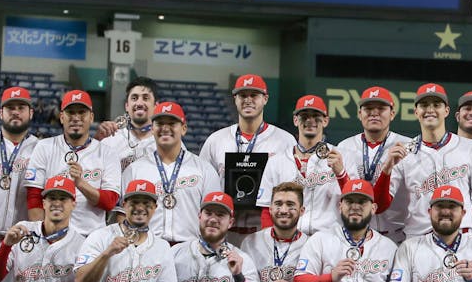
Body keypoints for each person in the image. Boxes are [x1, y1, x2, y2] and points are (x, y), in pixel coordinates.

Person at [378, 83, 472, 242]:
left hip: (462, 238)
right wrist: (386, 169)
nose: (430, 109)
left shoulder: (470, 147)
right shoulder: (403, 152)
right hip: (420, 239)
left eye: (436, 104)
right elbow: (380, 205)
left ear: (446, 111)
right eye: (424, 105)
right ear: (416, 112)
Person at [200, 75, 297, 236]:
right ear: (235, 99)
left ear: (265, 98)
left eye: (254, 95)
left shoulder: (285, 140)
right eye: (243, 95)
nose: (248, 100)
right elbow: (203, 186)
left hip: (266, 229)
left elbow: (293, 189)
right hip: (224, 230)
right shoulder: (216, 140)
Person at [24, 89, 120, 237]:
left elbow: (110, 202)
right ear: (62, 117)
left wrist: (80, 183)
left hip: (91, 238)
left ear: (91, 117)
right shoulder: (44, 147)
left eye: (82, 112)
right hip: (54, 237)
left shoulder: (108, 152)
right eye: (71, 113)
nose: (76, 118)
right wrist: (44, 238)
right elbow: (34, 199)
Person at [127, 101, 222, 244]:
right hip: (147, 249)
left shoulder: (204, 169)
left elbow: (215, 216)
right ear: (152, 129)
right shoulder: (135, 169)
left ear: (183, 129)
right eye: (159, 124)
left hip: (190, 248)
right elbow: (122, 214)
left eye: (172, 124)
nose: (165, 128)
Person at [385, 185, 472, 282]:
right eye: (439, 206)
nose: (445, 211)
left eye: (452, 207)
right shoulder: (410, 248)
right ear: (429, 212)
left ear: (463, 213)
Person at [293, 179, 398, 282]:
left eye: (362, 202)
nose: (355, 207)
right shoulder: (320, 240)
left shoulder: (389, 247)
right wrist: (331, 277)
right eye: (349, 201)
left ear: (373, 208)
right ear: (340, 206)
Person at [333, 86, 413, 242]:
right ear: (359, 113)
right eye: (368, 108)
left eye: (381, 108)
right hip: (356, 235)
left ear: (392, 114)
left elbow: (381, 204)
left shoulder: (407, 146)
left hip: (398, 234)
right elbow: (349, 195)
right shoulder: (344, 146)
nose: (374, 113)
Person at [74, 179, 178, 282]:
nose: (139, 208)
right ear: (124, 205)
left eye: (146, 203)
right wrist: (107, 254)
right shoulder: (100, 237)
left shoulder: (162, 247)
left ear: (155, 207)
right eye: (134, 202)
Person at [257, 95, 345, 234]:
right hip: (289, 239)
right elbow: (267, 209)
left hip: (329, 238)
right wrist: (270, 241)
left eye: (316, 115)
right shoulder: (277, 161)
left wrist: (341, 174)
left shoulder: (340, 156)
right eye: (304, 116)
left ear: (325, 120)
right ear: (296, 120)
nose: (310, 120)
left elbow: (353, 200)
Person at [0, 175, 85, 282]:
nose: (56, 203)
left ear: (73, 205)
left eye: (63, 199)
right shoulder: (23, 231)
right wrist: (6, 245)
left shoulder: (81, 245)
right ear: (44, 203)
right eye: (52, 198)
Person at [0, 86, 38, 259]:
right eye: (10, 108)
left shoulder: (41, 148)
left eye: (21, 108)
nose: (16, 112)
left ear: (31, 113)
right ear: (1, 113)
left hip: (23, 243)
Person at [171, 191, 259, 282]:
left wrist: (238, 275)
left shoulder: (242, 260)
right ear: (199, 216)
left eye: (220, 215)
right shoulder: (175, 253)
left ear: (230, 222)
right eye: (208, 213)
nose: (213, 220)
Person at [237, 179, 307, 282]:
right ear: (270, 209)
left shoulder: (310, 244)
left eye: (290, 205)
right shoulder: (250, 242)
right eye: (278, 204)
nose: (284, 210)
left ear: (302, 211)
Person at [96, 77, 159, 173]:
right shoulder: (111, 140)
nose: (139, 103)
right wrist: (96, 141)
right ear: (127, 106)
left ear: (156, 106)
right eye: (134, 98)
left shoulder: (167, 142)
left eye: (146, 98)